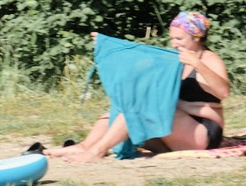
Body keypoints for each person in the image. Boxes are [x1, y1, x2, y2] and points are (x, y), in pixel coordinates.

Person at [60, 11, 228, 158]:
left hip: (201, 133)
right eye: (171, 39)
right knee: (125, 106)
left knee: (143, 105)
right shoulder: (173, 59)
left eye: (179, 39)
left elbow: (224, 92)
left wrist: (198, 65)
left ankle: (97, 151)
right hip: (172, 132)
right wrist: (108, 45)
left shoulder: (209, 59)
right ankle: (84, 146)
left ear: (197, 37)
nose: (173, 44)